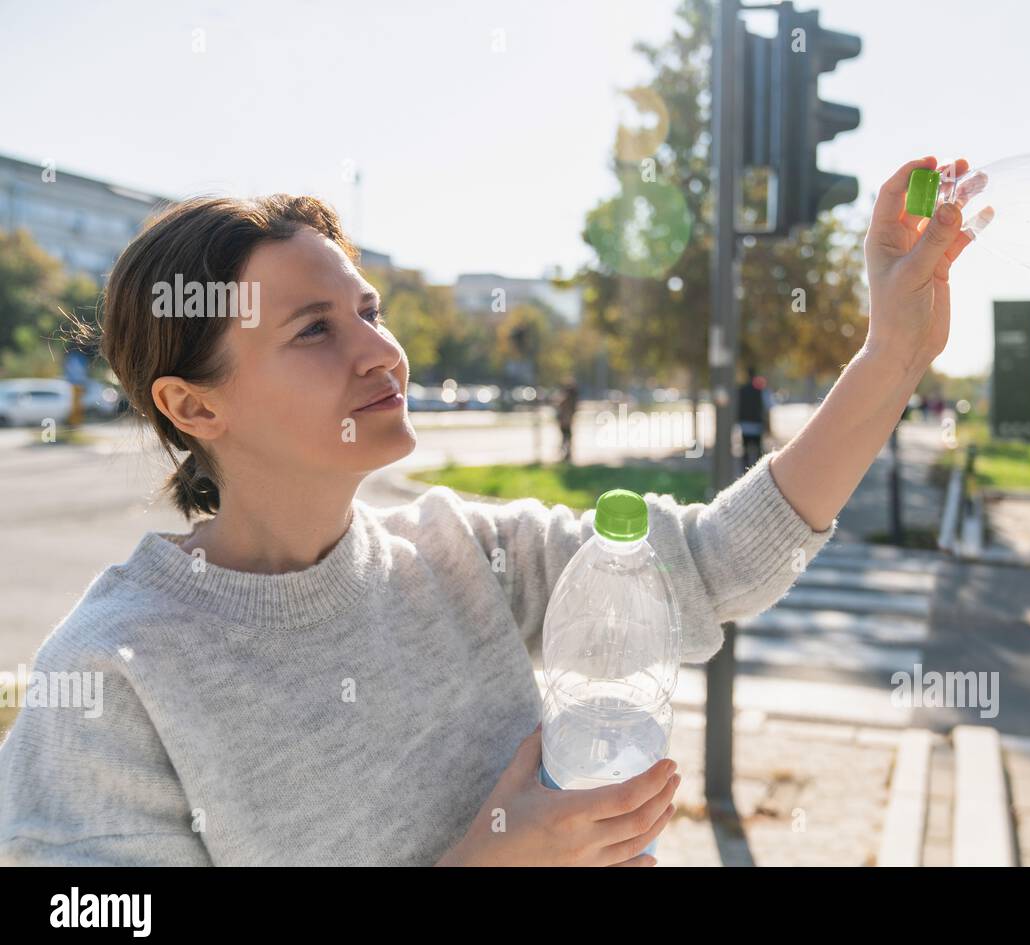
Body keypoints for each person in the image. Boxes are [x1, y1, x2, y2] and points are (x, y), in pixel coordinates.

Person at [0, 155, 976, 866]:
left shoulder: (460, 547)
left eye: (370, 311)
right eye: (313, 330)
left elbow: (715, 566)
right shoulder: (110, 677)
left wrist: (891, 354)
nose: (382, 353)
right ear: (193, 406)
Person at [737, 366, 772, 471]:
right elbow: (768, 406)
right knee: (757, 451)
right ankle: (757, 470)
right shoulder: (761, 391)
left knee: (746, 450)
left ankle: (745, 470)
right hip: (757, 424)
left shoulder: (741, 390)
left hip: (745, 424)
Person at [555, 377, 579, 463]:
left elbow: (561, 406)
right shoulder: (573, 399)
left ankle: (565, 452)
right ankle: (566, 452)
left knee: (566, 437)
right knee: (567, 437)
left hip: (565, 420)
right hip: (567, 420)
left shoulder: (567, 398)